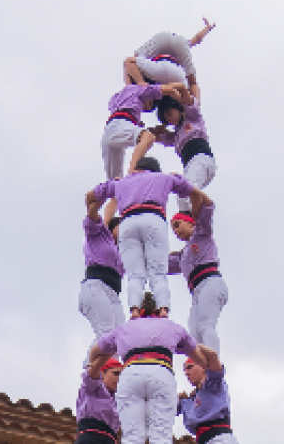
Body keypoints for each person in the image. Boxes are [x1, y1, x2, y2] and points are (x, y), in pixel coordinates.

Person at [87, 157, 209, 315]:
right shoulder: (164, 177)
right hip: (154, 218)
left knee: (134, 274)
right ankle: (163, 308)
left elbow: (91, 196)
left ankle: (135, 310)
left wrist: (111, 187)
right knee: (158, 271)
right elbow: (192, 191)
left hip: (127, 222)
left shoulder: (121, 182)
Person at [88, 292, 213, 444]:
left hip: (130, 374)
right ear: (160, 307)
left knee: (132, 436)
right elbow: (199, 357)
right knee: (161, 436)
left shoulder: (124, 328)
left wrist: (101, 359)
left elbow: (95, 351)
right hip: (161, 372)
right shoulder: (172, 326)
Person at [130, 92, 215, 218]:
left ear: (178, 108)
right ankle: (190, 221)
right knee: (182, 194)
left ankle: (195, 222)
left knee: (188, 190)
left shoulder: (192, 117)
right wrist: (141, 129)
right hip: (191, 164)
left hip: (201, 158)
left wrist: (169, 92)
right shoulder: (175, 136)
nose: (169, 119)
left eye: (169, 114)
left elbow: (186, 98)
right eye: (166, 119)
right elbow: (154, 137)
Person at [168, 194, 227, 352]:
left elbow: (207, 206)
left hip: (210, 281)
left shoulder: (202, 234)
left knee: (205, 325)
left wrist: (191, 190)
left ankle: (213, 367)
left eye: (178, 224)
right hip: (196, 292)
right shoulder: (182, 256)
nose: (176, 230)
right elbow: (158, 265)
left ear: (191, 223)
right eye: (173, 228)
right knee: (194, 335)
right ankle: (201, 368)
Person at [101, 78, 188, 182]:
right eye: (151, 104)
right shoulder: (142, 89)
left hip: (109, 131)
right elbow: (171, 89)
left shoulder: (119, 97)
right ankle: (131, 176)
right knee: (148, 137)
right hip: (119, 124)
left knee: (115, 184)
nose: (147, 108)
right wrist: (183, 106)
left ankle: (117, 195)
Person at [123, 19, 216, 102]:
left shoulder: (156, 44)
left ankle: (134, 90)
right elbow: (197, 39)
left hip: (161, 53)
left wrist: (137, 83)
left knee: (129, 63)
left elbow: (132, 62)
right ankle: (194, 106)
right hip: (178, 71)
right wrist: (207, 28)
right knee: (192, 82)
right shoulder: (183, 44)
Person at [79, 203, 125, 367]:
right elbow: (104, 216)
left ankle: (102, 372)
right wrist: (114, 195)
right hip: (95, 286)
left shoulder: (124, 253)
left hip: (112, 293)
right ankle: (89, 370)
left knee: (119, 339)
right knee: (105, 333)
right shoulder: (100, 238)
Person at [178, 348, 237, 444]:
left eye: (189, 367)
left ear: (203, 367)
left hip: (220, 439)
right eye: (185, 370)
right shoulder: (187, 400)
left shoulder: (213, 385)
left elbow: (213, 359)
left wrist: (190, 344)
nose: (186, 373)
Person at [75, 355, 124, 444]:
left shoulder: (118, 401)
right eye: (116, 373)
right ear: (102, 374)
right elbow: (93, 372)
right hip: (90, 439)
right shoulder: (92, 388)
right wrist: (105, 352)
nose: (119, 379)